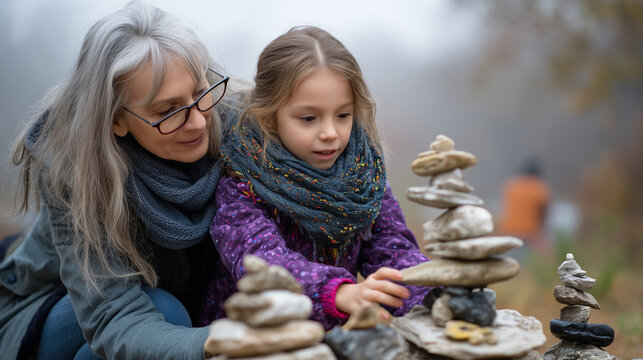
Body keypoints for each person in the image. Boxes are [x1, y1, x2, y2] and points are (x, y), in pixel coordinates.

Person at [0, 2, 242, 359]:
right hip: (47, 308)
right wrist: (221, 342)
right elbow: (113, 314)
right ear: (115, 120)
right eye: (168, 111)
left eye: (199, 92)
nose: (198, 122)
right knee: (165, 314)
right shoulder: (77, 171)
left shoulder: (227, 118)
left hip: (158, 306)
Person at [199, 26, 429, 330]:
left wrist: (426, 290)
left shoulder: (364, 180)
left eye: (343, 115)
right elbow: (262, 262)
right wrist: (337, 292)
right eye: (309, 118)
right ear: (270, 117)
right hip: (252, 337)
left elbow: (391, 246)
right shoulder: (241, 186)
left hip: (331, 338)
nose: (330, 133)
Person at [498, 158, 552, 254]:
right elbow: (544, 213)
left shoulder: (511, 186)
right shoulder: (539, 188)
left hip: (510, 232)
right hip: (530, 234)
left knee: (512, 261)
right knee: (530, 263)